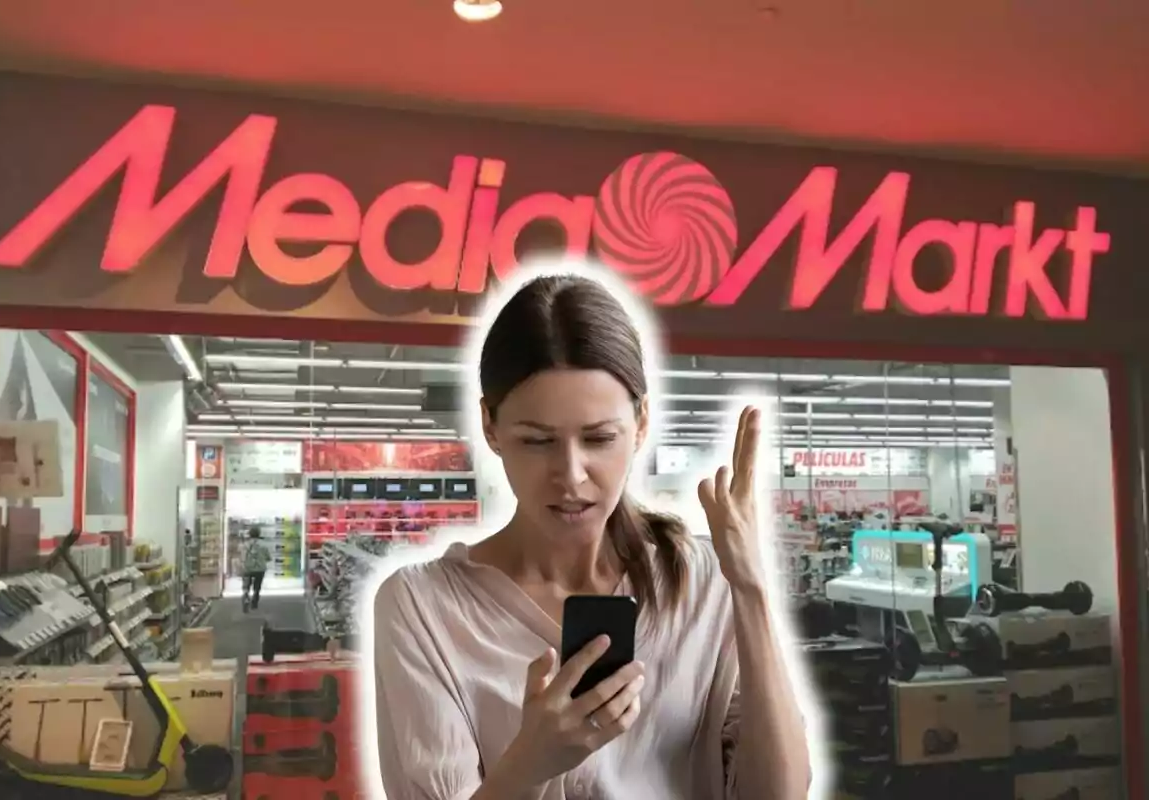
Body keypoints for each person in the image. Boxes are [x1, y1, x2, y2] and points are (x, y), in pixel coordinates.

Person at [372, 273, 811, 799]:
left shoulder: (700, 581)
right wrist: (528, 765)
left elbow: (778, 794)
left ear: (642, 421)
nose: (572, 475)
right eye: (537, 441)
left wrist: (751, 589)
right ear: (490, 425)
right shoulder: (422, 607)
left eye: (600, 438)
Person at [242, 526, 270, 611]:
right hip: (260, 569)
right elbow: (268, 557)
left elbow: (242, 557)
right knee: (257, 585)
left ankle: (246, 595)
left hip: (248, 568)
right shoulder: (264, 545)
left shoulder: (245, 545)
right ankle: (255, 599)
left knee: (247, 584)